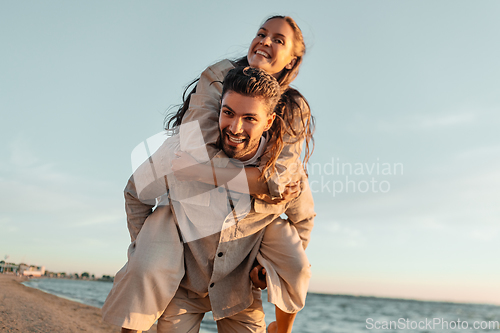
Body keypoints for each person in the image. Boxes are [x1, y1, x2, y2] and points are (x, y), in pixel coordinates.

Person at [103, 15, 314, 332]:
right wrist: (149, 252)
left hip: (236, 285)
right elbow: (190, 149)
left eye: (279, 40)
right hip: (186, 279)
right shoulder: (217, 77)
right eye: (261, 33)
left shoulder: (291, 122)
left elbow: (289, 197)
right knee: (149, 263)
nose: (266, 42)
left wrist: (266, 268)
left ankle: (281, 328)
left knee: (289, 245)